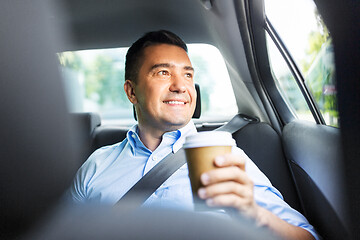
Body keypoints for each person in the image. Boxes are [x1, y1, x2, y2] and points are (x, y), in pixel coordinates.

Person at [68, 30, 319, 240]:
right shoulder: (96, 165)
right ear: (131, 92)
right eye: (163, 72)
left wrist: (253, 213)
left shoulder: (225, 158)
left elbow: (308, 237)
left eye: (188, 74)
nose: (181, 86)